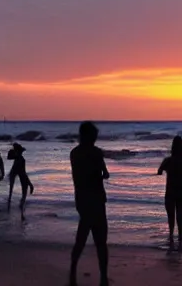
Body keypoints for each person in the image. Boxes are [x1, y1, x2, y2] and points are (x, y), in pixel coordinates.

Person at [69, 122, 110, 286]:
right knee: (101, 242)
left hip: (82, 200)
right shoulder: (96, 153)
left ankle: (72, 273)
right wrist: (100, 174)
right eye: (94, 136)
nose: (95, 139)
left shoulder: (75, 153)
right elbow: (104, 173)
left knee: (81, 239)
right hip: (96, 200)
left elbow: (80, 177)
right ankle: (103, 278)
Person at [157, 135, 182, 248]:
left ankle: (171, 240)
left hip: (170, 193)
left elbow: (159, 171)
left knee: (171, 220)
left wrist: (162, 169)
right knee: (180, 220)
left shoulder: (168, 161)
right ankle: (180, 243)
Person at [7, 142, 35, 220]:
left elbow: (9, 157)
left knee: (14, 190)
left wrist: (29, 183)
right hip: (19, 172)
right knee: (20, 190)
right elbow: (23, 173)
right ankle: (20, 205)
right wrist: (30, 184)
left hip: (18, 172)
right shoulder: (20, 159)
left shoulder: (19, 159)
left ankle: (16, 204)